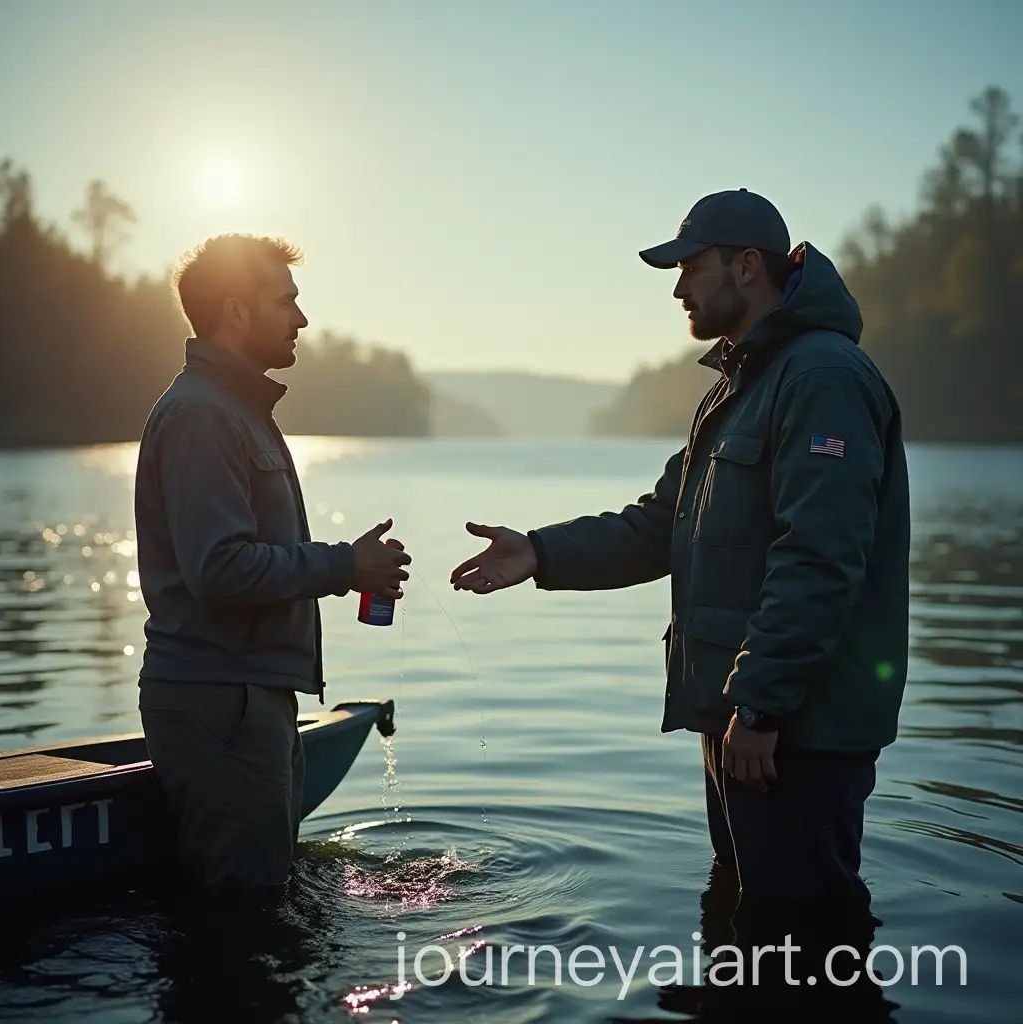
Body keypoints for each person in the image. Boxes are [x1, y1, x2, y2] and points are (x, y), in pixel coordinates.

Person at [450, 189, 910, 917]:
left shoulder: (822, 379)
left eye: (691, 268)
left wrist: (761, 705)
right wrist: (539, 553)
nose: (677, 287)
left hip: (794, 728)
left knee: (803, 940)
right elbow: (661, 525)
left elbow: (819, 559)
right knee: (742, 922)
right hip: (744, 719)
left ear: (747, 266)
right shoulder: (737, 388)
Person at [134, 233, 412, 894]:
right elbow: (220, 570)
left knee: (267, 907)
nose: (301, 318)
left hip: (249, 697)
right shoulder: (203, 415)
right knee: (241, 917)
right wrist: (345, 566)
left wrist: (347, 568)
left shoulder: (235, 409)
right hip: (222, 703)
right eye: (285, 301)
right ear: (236, 311)